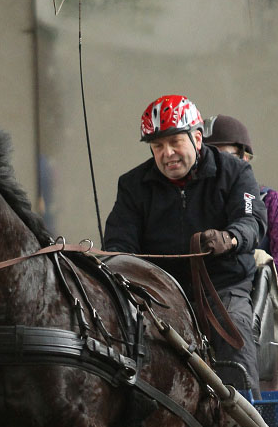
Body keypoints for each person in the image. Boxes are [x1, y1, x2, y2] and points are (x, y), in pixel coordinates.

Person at [104, 94, 267, 395]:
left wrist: (229, 238)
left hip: (222, 287)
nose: (167, 154)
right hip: (157, 294)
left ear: (197, 137)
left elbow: (252, 221)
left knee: (234, 331)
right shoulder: (132, 185)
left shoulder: (236, 172)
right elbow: (118, 243)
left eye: (175, 142)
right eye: (157, 146)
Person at [203, 114, 278, 342]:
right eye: (209, 156)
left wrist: (258, 278)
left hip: (265, 313)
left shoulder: (271, 202)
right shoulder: (194, 204)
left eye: (225, 156)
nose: (219, 165)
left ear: (245, 157)